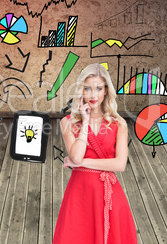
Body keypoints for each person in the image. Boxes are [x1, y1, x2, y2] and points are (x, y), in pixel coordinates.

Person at [53, 63, 138, 244]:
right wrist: (85, 122)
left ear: (106, 90)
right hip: (79, 195)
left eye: (98, 88)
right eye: (87, 88)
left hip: (110, 196)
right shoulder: (68, 122)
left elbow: (119, 165)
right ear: (81, 91)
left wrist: (82, 163)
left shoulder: (119, 123)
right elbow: (75, 156)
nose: (93, 95)